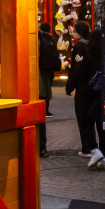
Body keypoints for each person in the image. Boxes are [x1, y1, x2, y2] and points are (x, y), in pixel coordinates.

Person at [66, 22, 105, 169]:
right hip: (102, 95)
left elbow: (78, 74)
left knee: (85, 122)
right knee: (102, 126)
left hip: (86, 94)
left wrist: (79, 64)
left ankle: (94, 149)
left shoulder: (89, 56)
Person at [36, 21, 59, 157]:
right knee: (41, 118)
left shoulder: (34, 39)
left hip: (34, 85)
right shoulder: (45, 38)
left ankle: (37, 147)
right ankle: (42, 147)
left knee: (36, 119)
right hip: (44, 85)